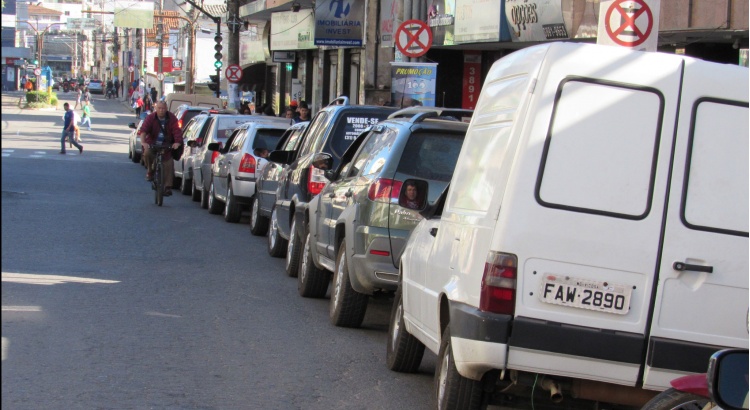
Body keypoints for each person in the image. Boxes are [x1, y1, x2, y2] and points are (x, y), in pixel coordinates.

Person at [138, 101, 183, 196]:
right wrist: (143, 143)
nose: (161, 110)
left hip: (166, 145)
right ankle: (150, 171)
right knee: (147, 153)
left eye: (163, 108)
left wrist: (177, 143)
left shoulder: (172, 118)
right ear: (156, 108)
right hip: (152, 144)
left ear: (166, 109)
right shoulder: (151, 117)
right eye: (159, 108)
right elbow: (143, 131)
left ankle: (167, 187)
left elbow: (176, 131)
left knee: (168, 162)